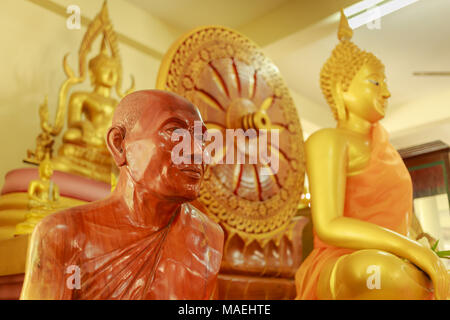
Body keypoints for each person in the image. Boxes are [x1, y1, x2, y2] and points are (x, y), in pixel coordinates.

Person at [295, 12, 449, 300]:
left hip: (398, 255)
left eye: (385, 82)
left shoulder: (388, 150)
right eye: (375, 82)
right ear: (342, 88)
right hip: (344, 261)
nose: (387, 92)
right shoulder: (327, 140)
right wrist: (410, 248)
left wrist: (421, 242)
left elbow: (407, 220)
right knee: (379, 272)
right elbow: (329, 225)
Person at [21, 90, 224, 300]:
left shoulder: (208, 237)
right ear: (119, 144)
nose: (197, 151)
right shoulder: (65, 234)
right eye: (174, 132)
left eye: (201, 138)